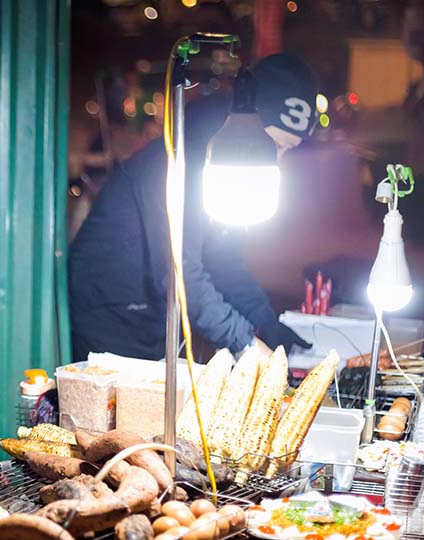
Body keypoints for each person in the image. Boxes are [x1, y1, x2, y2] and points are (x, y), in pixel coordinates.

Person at [68, 53, 318, 362]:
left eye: (286, 150)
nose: (276, 159)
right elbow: (180, 272)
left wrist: (267, 323)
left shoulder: (230, 166)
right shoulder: (181, 158)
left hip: (154, 314)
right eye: (276, 145)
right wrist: (245, 343)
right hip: (111, 314)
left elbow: (223, 260)